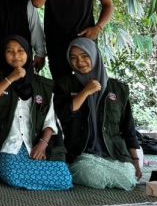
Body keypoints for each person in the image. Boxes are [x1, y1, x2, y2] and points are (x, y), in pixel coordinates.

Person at [0, 36, 72, 191]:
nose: (16, 55)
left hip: (34, 145)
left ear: (28, 53)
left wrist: (42, 144)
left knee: (65, 178)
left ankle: (31, 177)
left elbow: (50, 120)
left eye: (20, 51)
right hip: (7, 146)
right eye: (10, 51)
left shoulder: (43, 85)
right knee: (13, 175)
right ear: (3, 54)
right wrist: (11, 78)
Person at [54, 38, 140, 190]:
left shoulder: (118, 88)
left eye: (84, 56)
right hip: (82, 154)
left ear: (94, 55)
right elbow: (63, 115)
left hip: (113, 153)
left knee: (128, 177)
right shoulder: (65, 85)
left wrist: (135, 161)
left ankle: (112, 176)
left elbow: (128, 128)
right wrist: (85, 92)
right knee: (90, 173)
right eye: (73, 58)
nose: (79, 62)